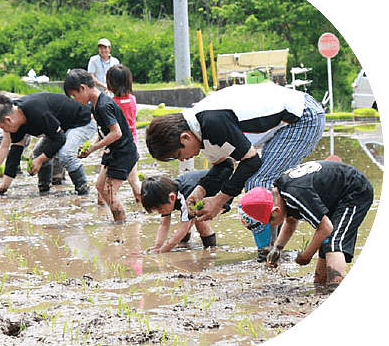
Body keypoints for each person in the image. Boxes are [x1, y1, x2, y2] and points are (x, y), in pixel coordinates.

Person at [145, 83, 325, 259]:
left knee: (257, 183)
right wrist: (200, 191)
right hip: (283, 125)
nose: (182, 160)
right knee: (260, 183)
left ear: (185, 137)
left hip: (303, 117)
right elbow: (224, 166)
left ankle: (267, 253)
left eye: (177, 154)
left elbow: (251, 161)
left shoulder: (212, 123)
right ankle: (272, 248)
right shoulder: (199, 131)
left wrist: (219, 200)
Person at [239, 160, 374, 289]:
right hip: (335, 195)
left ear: (275, 211)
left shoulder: (296, 194)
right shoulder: (283, 193)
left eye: (270, 222)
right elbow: (291, 221)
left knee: (333, 242)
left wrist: (306, 256)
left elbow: (325, 228)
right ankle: (321, 287)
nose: (272, 226)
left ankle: (334, 286)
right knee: (325, 244)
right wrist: (277, 248)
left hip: (354, 191)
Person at [0, 92, 96, 196]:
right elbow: (14, 153)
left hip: (82, 122)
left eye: (2, 128)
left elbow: (59, 139)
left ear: (8, 120)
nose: (4, 131)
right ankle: (44, 190)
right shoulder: (17, 122)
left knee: (65, 154)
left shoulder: (37, 112)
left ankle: (83, 191)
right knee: (38, 153)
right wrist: (5, 185)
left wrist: (40, 160)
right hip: (61, 127)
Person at [64, 69, 138, 222]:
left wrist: (92, 149)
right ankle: (119, 221)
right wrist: (91, 144)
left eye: (74, 95)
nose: (75, 99)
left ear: (83, 88)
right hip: (113, 151)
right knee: (100, 186)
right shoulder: (96, 105)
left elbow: (116, 133)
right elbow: (103, 131)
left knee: (109, 192)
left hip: (123, 152)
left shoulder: (104, 106)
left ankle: (121, 226)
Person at [142, 164, 234, 253]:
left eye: (159, 209)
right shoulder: (165, 193)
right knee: (188, 217)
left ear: (172, 197)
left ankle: (210, 250)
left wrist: (164, 250)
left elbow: (183, 229)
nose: (159, 212)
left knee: (200, 219)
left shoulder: (186, 197)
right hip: (201, 193)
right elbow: (164, 225)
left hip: (222, 191)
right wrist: (157, 246)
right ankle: (184, 244)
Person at [106, 64, 141, 203]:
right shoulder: (132, 99)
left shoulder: (112, 103)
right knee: (134, 181)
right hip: (133, 143)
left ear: (110, 84)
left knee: (110, 186)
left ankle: (106, 210)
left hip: (121, 147)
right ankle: (143, 207)